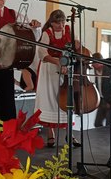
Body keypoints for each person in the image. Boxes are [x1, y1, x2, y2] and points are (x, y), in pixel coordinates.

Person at [34, 9, 80, 148]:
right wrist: (58, 62)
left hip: (66, 69)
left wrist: (76, 46)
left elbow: (76, 46)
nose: (61, 25)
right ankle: (50, 133)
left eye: (63, 21)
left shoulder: (68, 30)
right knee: (50, 99)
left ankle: (69, 133)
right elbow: (42, 53)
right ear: (52, 23)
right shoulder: (47, 33)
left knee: (66, 100)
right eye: (58, 22)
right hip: (50, 68)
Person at [92, 52, 111, 127]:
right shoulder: (96, 71)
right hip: (102, 100)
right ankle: (101, 139)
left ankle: (108, 139)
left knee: (109, 126)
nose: (92, 65)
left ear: (100, 63)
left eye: (94, 63)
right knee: (97, 124)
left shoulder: (109, 70)